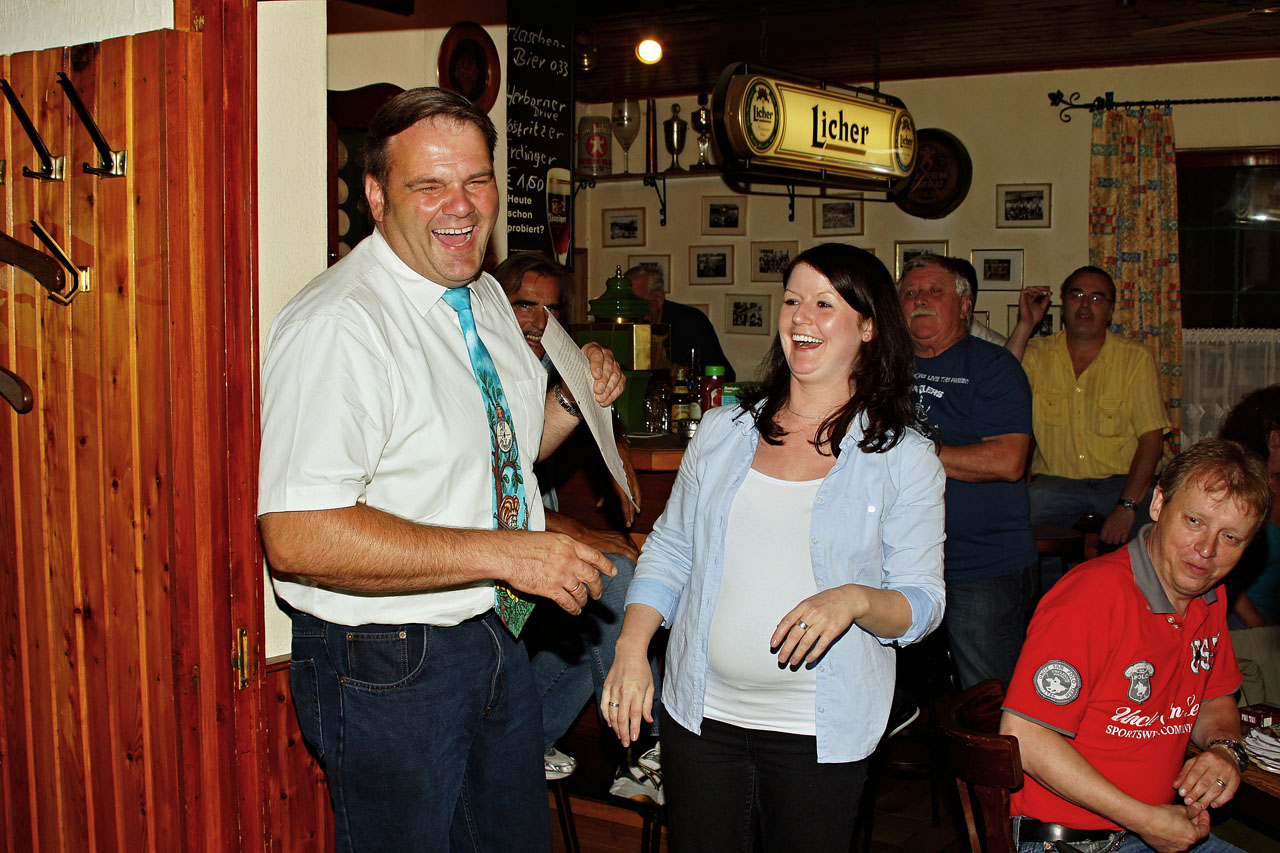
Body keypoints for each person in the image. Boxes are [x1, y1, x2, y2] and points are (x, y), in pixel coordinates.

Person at [257, 88, 625, 850]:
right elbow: (297, 535)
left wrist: (569, 402)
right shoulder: (339, 325)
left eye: (476, 180)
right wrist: (506, 553)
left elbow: (503, 452)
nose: (461, 206)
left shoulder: (483, 294)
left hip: (493, 632)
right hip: (386, 657)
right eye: (429, 185)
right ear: (376, 195)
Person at [603, 243, 946, 850]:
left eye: (824, 304)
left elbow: (923, 602)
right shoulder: (723, 432)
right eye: (792, 301)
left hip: (820, 732)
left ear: (868, 327)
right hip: (700, 717)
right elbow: (671, 550)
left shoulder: (904, 458)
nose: (801, 317)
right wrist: (631, 648)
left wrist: (855, 600)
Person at [1001, 438, 1271, 853]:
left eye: (1231, 537)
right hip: (1069, 841)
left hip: (1146, 828)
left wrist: (1225, 750)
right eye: (1195, 521)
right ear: (1159, 503)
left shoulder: (1210, 596)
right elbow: (1024, 737)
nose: (1207, 550)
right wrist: (1146, 820)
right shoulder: (1092, 597)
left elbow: (1215, 698)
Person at [494, 251, 664, 801]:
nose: (539, 321)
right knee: (615, 582)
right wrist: (579, 532)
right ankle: (645, 750)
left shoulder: (541, 368)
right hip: (483, 566)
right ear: (492, 302)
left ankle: (521, 748)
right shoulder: (476, 367)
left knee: (603, 612)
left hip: (529, 560)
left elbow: (580, 404)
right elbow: (493, 497)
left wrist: (615, 440)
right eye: (525, 304)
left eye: (551, 310)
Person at [900, 253, 1037, 688]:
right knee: (908, 696)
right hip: (897, 563)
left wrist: (909, 451)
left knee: (986, 699)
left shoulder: (993, 366)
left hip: (979, 565)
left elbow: (1008, 461)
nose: (920, 300)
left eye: (934, 291)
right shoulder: (883, 368)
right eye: (910, 293)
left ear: (964, 306)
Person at [1015, 267, 1171, 563]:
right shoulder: (1036, 353)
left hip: (1121, 483)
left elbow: (1151, 441)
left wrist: (1127, 505)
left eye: (1097, 298)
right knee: (1012, 526)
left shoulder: (1134, 358)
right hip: (1055, 484)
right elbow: (997, 384)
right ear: (1063, 305)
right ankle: (1050, 593)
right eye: (1077, 296)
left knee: (1159, 534)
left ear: (1110, 312)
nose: (1085, 305)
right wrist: (1025, 325)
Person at [1218, 384, 1280, 627]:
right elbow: (1222, 573)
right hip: (1243, 617)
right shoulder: (1236, 487)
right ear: (1275, 439)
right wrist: (1259, 626)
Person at [627, 264, 736, 380]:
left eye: (636, 304)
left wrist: (689, 374)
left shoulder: (691, 322)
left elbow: (726, 376)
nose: (629, 311)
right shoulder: (620, 326)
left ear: (658, 299)